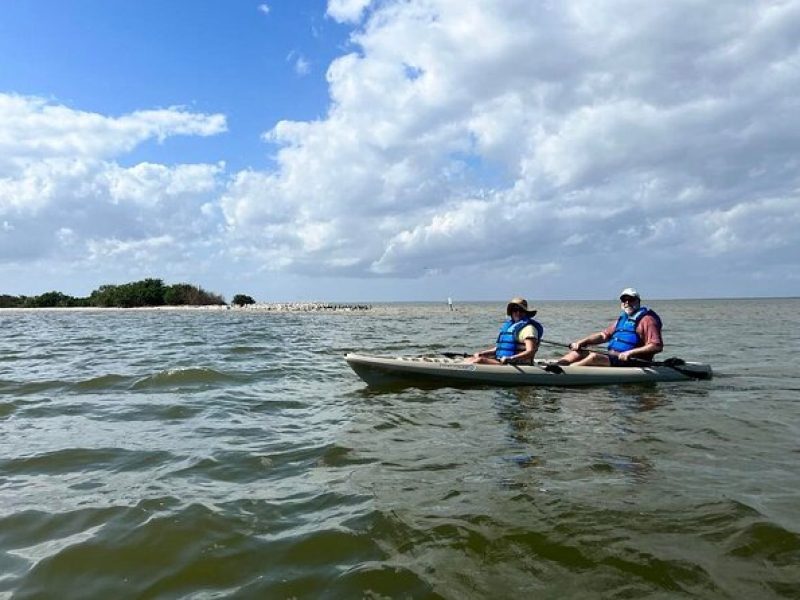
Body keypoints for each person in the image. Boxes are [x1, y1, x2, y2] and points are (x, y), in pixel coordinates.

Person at [558, 288, 663, 367]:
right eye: (624, 300)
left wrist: (630, 353)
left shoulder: (648, 320)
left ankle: (569, 371)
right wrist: (581, 342)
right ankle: (559, 364)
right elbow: (603, 336)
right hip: (613, 356)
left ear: (638, 301)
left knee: (594, 357)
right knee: (579, 351)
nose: (627, 303)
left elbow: (656, 346)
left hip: (632, 360)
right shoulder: (623, 319)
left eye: (631, 299)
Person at [468, 297, 543, 365]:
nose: (518, 313)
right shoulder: (510, 327)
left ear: (525, 313)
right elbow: (500, 348)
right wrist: (482, 353)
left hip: (518, 364)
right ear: (511, 312)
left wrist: (511, 358)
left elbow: (531, 352)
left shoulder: (529, 329)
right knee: (473, 358)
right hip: (504, 361)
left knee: (479, 360)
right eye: (515, 310)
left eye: (521, 310)